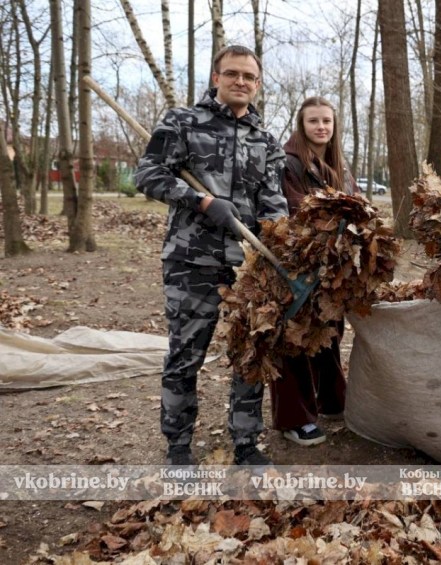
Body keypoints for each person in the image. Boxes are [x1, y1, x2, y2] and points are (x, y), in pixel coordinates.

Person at [135, 45, 288, 466]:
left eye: (249, 77)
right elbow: (147, 174)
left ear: (257, 85)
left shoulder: (265, 141)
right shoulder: (182, 122)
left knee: (248, 354)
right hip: (191, 262)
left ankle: (246, 443)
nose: (241, 81)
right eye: (232, 73)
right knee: (186, 355)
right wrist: (201, 201)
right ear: (216, 78)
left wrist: (276, 238)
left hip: (247, 267)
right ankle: (179, 448)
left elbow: (273, 202)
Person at [269, 97, 357, 446]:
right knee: (296, 335)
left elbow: (355, 202)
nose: (321, 127)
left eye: (326, 121)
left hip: (331, 264)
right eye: (313, 121)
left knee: (330, 329)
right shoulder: (289, 164)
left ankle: (332, 399)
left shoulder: (337, 166)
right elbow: (294, 211)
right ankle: (296, 417)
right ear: (301, 126)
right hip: (297, 263)